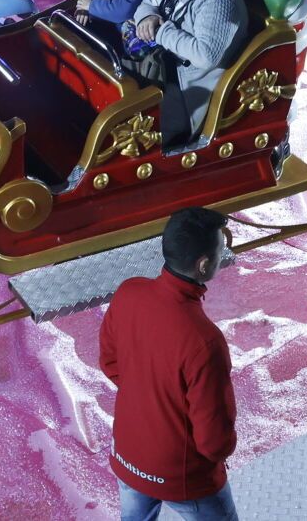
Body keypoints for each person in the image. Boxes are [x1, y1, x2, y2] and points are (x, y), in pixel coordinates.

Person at [99, 206, 239, 521]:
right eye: (220, 251)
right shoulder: (205, 342)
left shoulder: (128, 293)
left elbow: (109, 361)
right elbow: (213, 441)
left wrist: (149, 392)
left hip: (129, 458)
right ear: (204, 265)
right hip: (184, 477)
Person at [129, 0, 252, 146]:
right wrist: (148, 17)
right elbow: (147, 3)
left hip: (185, 96)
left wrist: (161, 31)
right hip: (159, 70)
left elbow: (206, 55)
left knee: (127, 133)